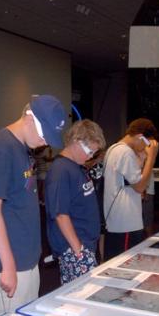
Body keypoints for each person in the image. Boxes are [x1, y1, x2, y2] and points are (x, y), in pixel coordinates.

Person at [0, 95, 67, 316]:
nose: (46, 142)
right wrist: (8, 266)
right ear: (29, 118)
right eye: (44, 134)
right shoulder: (2, 147)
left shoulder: (22, 148)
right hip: (9, 262)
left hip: (25, 258)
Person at [45, 119, 106, 284]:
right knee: (80, 298)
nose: (90, 156)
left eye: (94, 153)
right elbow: (60, 214)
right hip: (75, 249)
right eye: (90, 151)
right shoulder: (60, 170)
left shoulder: (75, 166)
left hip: (85, 245)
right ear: (76, 142)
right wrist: (78, 251)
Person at [103, 118, 159, 259]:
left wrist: (140, 161)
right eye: (146, 144)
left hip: (117, 218)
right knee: (126, 262)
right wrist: (151, 158)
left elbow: (127, 180)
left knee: (115, 260)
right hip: (126, 220)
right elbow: (140, 186)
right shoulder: (125, 152)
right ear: (140, 137)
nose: (146, 148)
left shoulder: (113, 148)